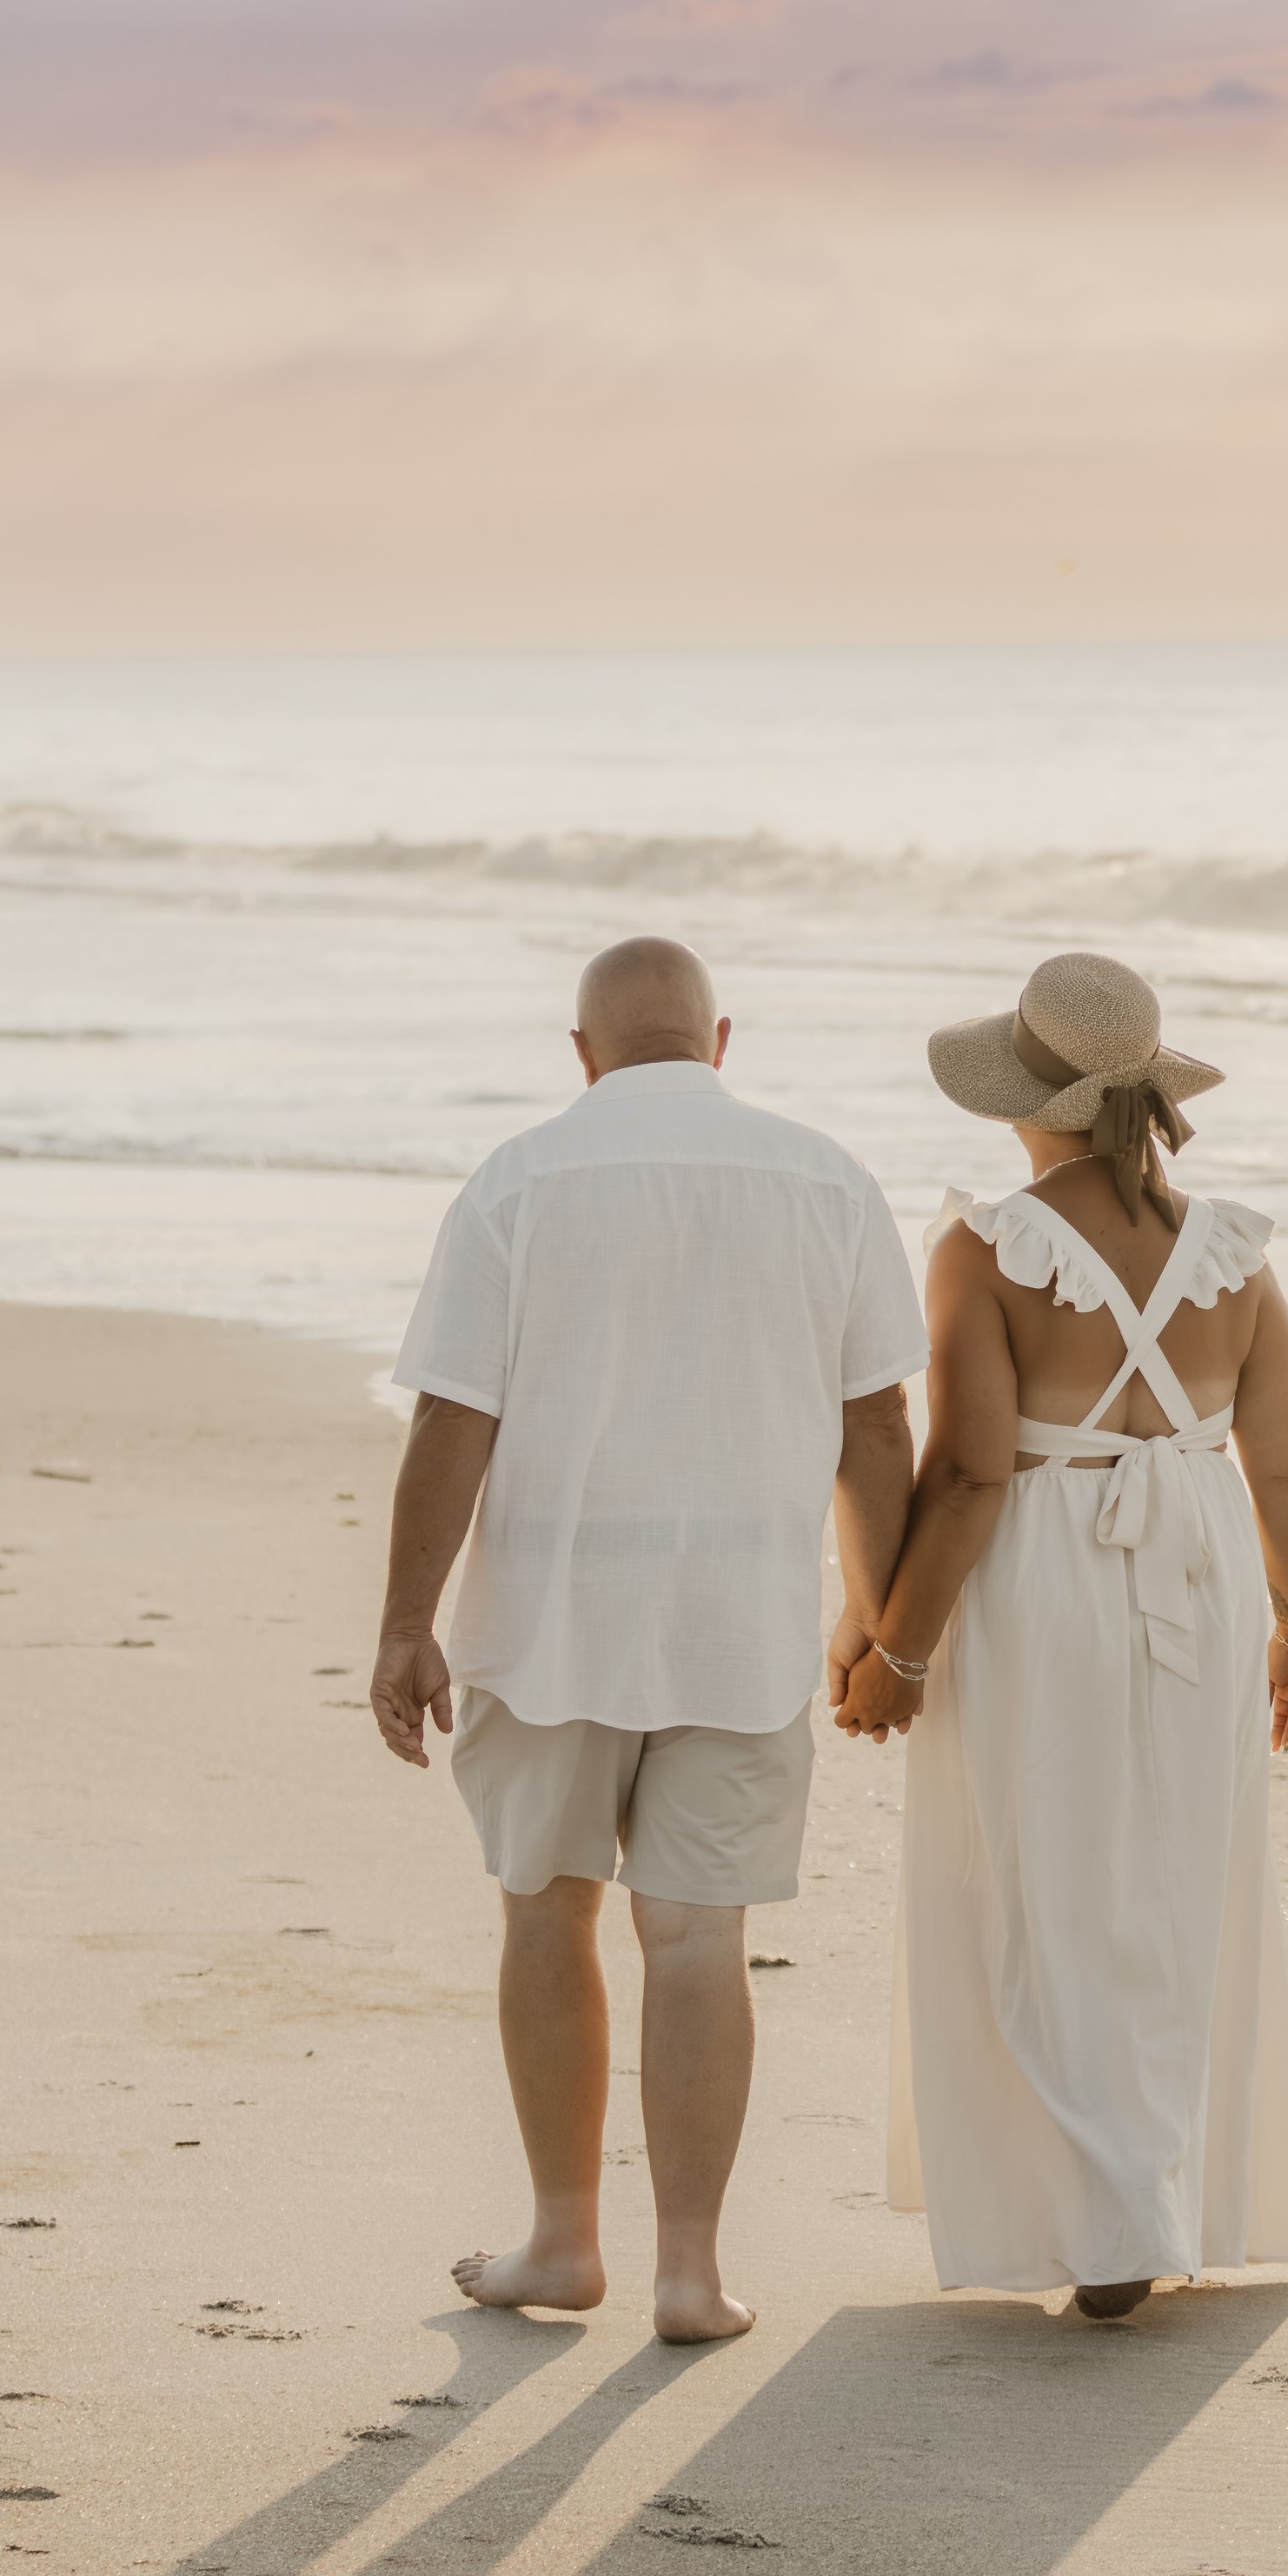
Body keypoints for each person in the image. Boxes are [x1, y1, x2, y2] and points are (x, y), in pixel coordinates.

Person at [370, 937, 925, 2340]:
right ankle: (690, 2271)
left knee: (548, 1909)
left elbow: (453, 1416)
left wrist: (403, 1623)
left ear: (581, 1052)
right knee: (696, 1940)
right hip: (738, 1620)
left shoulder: (519, 1179)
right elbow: (875, 1427)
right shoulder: (827, 1179)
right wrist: (878, 1616)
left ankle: (562, 2240)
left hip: (551, 1618)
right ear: (719, 1038)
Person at [833, 950, 1288, 2315]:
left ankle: (1105, 2215)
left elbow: (973, 1470)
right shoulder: (1232, 1250)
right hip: (1205, 1561)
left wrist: (900, 1645)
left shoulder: (989, 1246)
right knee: (1183, 1878)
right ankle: (1156, 2190)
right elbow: (1285, 1468)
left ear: (1027, 1099)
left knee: (1044, 1876)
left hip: (1046, 1563)